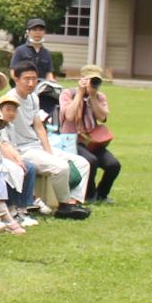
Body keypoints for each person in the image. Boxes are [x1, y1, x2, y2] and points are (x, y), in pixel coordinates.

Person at [4, 65, 91, 219]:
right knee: (61, 167)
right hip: (23, 150)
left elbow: (39, 127)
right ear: (16, 79)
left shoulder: (33, 97)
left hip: (36, 146)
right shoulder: (10, 100)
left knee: (82, 163)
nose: (31, 83)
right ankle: (64, 206)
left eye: (34, 79)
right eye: (26, 79)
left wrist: (48, 150)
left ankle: (73, 201)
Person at [60, 66, 120, 203]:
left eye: (96, 81)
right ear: (82, 79)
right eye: (90, 80)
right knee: (90, 161)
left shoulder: (99, 96)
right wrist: (80, 94)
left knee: (113, 165)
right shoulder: (68, 94)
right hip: (73, 140)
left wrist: (92, 97)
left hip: (93, 141)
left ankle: (102, 195)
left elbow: (102, 116)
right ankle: (89, 195)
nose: (93, 84)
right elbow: (69, 116)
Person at [11, 17, 54, 84]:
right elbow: (13, 72)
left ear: (44, 32)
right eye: (34, 30)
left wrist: (51, 81)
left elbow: (49, 73)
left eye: (40, 30)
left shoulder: (46, 53)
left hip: (41, 88)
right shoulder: (20, 50)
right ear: (28, 32)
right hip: (24, 86)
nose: (38, 32)